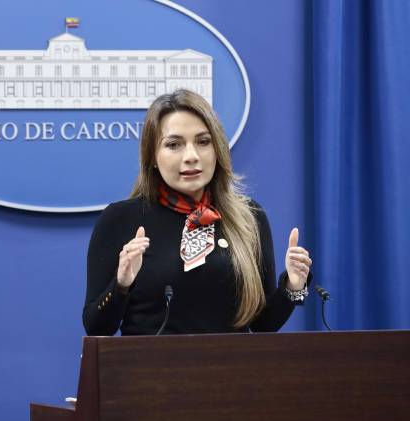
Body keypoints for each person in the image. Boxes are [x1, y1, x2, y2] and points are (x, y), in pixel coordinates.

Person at [83, 89, 312, 336]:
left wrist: (293, 285)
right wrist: (122, 284)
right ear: (152, 157)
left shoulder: (249, 217)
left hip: (233, 371)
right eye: (174, 145)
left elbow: (263, 325)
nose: (191, 156)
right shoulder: (120, 220)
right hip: (149, 372)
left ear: (218, 150)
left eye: (203, 142)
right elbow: (97, 326)